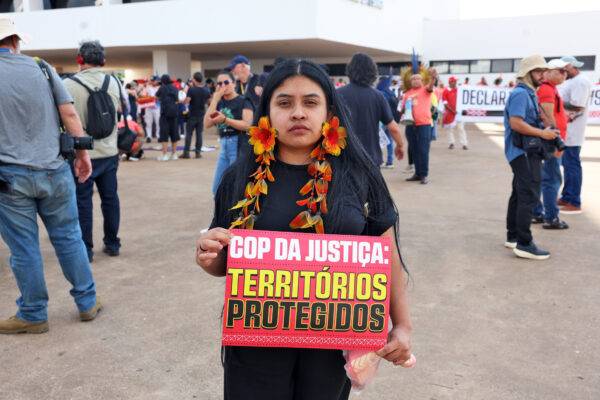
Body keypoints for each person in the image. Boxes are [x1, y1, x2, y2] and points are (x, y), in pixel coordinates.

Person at [196, 58, 413, 400]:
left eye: (310, 102)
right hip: (256, 344)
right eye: (284, 103)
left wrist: (402, 325)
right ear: (267, 112)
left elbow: (388, 256)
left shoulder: (359, 174)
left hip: (333, 343)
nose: (298, 113)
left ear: (329, 111)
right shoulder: (238, 177)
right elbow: (222, 262)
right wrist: (208, 256)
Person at [0, 18, 101, 334]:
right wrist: (83, 156)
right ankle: (87, 303)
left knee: (24, 248)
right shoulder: (41, 68)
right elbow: (69, 113)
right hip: (55, 170)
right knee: (69, 237)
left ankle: (33, 314)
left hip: (9, 177)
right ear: (16, 41)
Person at [64, 40, 124, 262]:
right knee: (110, 198)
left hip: (82, 154)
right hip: (109, 152)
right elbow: (119, 110)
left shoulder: (68, 84)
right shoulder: (114, 82)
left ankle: (86, 249)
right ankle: (112, 243)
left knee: (83, 201)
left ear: (80, 60)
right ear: (103, 61)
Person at [503, 55, 559, 260]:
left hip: (521, 151)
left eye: (544, 71)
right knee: (528, 195)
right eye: (538, 71)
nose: (543, 75)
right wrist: (542, 133)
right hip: (523, 152)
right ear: (527, 73)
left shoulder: (528, 93)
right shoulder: (521, 94)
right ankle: (524, 244)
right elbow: (516, 123)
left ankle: (513, 236)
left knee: (519, 193)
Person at [337, 53, 404, 170]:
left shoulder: (338, 94)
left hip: (344, 158)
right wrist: (400, 145)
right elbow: (393, 128)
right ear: (372, 72)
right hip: (371, 158)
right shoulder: (378, 96)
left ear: (350, 70)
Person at [532, 59, 570, 230]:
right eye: (561, 71)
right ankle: (551, 217)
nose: (564, 74)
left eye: (565, 71)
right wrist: (557, 141)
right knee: (552, 179)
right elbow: (547, 117)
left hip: (549, 140)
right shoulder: (547, 89)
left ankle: (537, 212)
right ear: (548, 72)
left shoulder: (550, 88)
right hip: (551, 141)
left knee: (544, 178)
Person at [204, 70, 253, 195]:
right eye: (219, 83)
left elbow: (248, 125)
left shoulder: (243, 101)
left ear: (234, 83)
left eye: (226, 82)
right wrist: (214, 100)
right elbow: (207, 124)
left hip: (238, 145)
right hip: (224, 146)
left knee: (236, 188)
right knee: (217, 189)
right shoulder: (219, 103)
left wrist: (225, 120)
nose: (223, 86)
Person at [558, 56, 592, 214]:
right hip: (568, 129)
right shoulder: (573, 81)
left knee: (572, 166)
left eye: (564, 69)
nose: (562, 72)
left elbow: (577, 106)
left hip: (573, 130)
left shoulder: (580, 82)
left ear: (572, 67)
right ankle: (567, 196)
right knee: (567, 165)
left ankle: (574, 201)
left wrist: (556, 102)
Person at [399, 68, 439, 184]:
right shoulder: (407, 94)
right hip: (410, 126)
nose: (416, 80)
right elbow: (402, 110)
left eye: (418, 78)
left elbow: (431, 86)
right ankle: (417, 173)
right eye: (413, 79)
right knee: (414, 150)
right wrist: (404, 108)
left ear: (422, 80)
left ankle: (424, 175)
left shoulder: (426, 90)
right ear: (410, 82)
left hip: (424, 125)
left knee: (423, 150)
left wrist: (433, 78)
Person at [183, 71, 211, 159]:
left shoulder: (191, 89)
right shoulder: (206, 90)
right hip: (201, 114)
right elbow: (209, 102)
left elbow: (187, 101)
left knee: (189, 134)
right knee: (199, 134)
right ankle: (198, 153)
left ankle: (186, 153)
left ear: (194, 80)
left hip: (192, 114)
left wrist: (184, 99)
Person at [376, 76, 401, 168]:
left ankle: (380, 161)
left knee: (378, 140)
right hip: (390, 120)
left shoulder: (380, 93)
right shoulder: (391, 93)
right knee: (389, 140)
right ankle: (390, 162)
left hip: (381, 121)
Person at [156, 74, 180, 161]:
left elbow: (156, 96)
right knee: (174, 134)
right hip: (174, 114)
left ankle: (165, 155)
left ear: (163, 81)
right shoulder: (175, 88)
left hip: (164, 114)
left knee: (164, 134)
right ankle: (174, 154)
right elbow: (178, 100)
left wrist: (162, 99)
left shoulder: (162, 88)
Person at [442, 76, 468, 150]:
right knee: (449, 129)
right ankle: (451, 143)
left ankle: (464, 144)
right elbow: (445, 104)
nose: (456, 82)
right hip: (449, 113)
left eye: (456, 81)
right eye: (454, 81)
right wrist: (453, 111)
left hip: (458, 113)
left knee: (461, 128)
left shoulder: (459, 90)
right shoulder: (445, 91)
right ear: (450, 82)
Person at [142, 76, 161, 142]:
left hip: (157, 107)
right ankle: (148, 136)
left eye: (153, 81)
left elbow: (161, 97)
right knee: (148, 122)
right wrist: (148, 97)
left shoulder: (159, 88)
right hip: (148, 107)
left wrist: (156, 98)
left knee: (158, 122)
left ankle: (158, 136)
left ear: (157, 81)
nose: (152, 82)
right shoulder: (147, 88)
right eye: (151, 81)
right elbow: (143, 96)